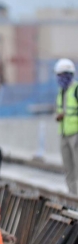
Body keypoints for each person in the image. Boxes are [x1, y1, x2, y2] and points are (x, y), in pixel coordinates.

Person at [54, 59, 78, 194]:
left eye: (63, 75)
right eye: (59, 75)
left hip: (76, 134)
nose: (60, 78)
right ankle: (73, 197)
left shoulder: (76, 90)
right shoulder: (61, 92)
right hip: (64, 134)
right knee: (68, 169)